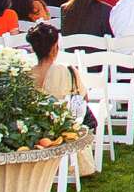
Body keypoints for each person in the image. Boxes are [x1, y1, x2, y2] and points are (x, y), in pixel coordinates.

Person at [27, 24, 102, 181]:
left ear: (34, 49)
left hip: (34, 131)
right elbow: (84, 98)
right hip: (64, 129)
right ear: (55, 47)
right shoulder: (67, 71)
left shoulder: (25, 75)